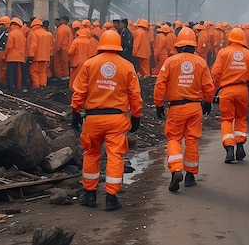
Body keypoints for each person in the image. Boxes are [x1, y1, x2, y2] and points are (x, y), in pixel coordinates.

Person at [70, 30, 142, 211]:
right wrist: (136, 116)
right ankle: (111, 197)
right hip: (117, 120)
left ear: (101, 44)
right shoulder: (127, 66)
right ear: (118, 45)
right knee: (115, 156)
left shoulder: (89, 64)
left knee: (91, 154)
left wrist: (75, 113)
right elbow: (135, 95)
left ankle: (90, 194)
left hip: (93, 119)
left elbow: (79, 92)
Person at [154, 27, 215, 192]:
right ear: (194, 46)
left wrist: (159, 104)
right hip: (195, 107)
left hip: (176, 107)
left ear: (178, 45)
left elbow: (160, 84)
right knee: (192, 139)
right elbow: (208, 85)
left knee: (173, 138)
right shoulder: (200, 62)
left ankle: (176, 170)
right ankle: (190, 175)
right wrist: (208, 101)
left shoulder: (170, 62)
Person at [211, 27, 249, 163]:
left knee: (226, 119)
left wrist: (214, 91)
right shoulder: (248, 55)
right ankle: (240, 145)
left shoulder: (223, 53)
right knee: (241, 118)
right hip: (243, 90)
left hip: (226, 91)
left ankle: (229, 147)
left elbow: (216, 73)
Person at [27, 18, 53, 88]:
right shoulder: (48, 34)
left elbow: (33, 46)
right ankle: (43, 85)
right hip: (45, 57)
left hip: (36, 57)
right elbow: (51, 47)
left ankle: (36, 86)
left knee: (34, 72)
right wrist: (49, 56)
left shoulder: (35, 33)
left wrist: (30, 56)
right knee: (42, 72)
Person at [5, 17, 26, 94]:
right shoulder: (22, 34)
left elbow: (9, 46)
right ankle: (18, 87)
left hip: (12, 57)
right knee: (17, 73)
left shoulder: (12, 33)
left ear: (13, 24)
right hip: (20, 57)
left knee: (10, 73)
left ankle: (12, 88)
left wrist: (4, 55)